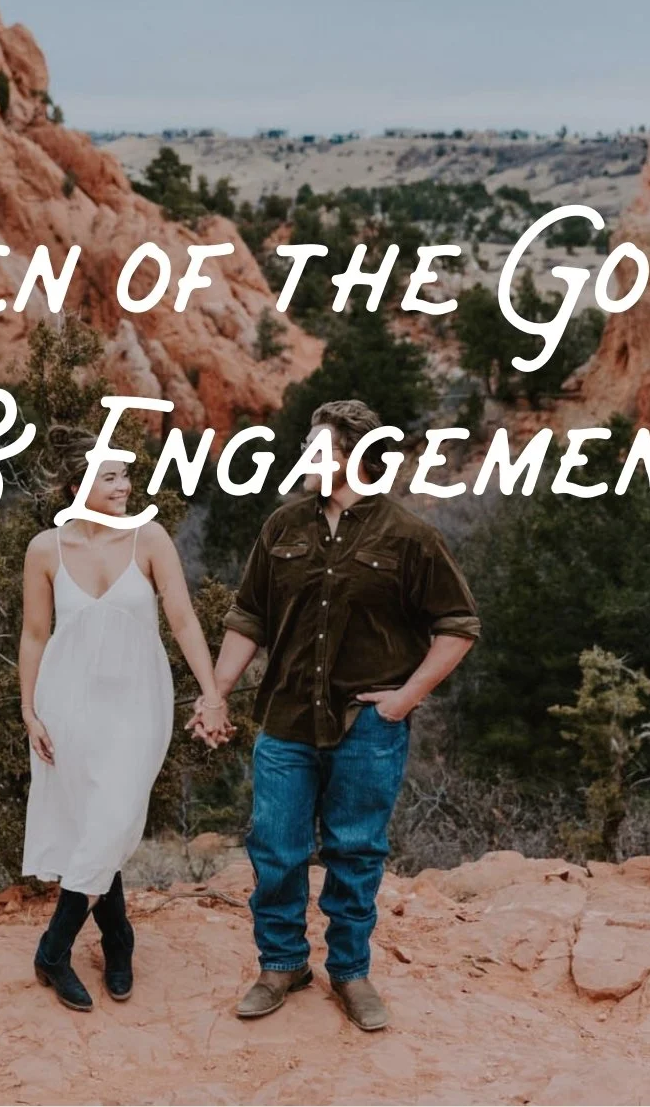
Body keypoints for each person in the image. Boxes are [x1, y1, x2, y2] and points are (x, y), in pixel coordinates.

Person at [190, 399, 480, 1032]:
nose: (305, 461)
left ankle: (350, 974)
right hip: (286, 722)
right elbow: (249, 619)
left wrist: (405, 699)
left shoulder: (409, 536)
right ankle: (282, 965)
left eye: (319, 451)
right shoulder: (282, 527)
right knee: (277, 851)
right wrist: (216, 693)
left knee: (355, 854)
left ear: (357, 460)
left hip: (368, 727)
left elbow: (458, 627)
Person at [20, 426, 233, 1011]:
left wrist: (211, 693)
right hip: (69, 704)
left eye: (125, 474)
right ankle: (117, 940)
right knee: (95, 824)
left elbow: (185, 621)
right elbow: (35, 634)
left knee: (114, 813)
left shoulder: (150, 537)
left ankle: (53, 948)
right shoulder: (46, 549)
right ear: (76, 484)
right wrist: (29, 711)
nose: (124, 485)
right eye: (110, 476)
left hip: (139, 704)